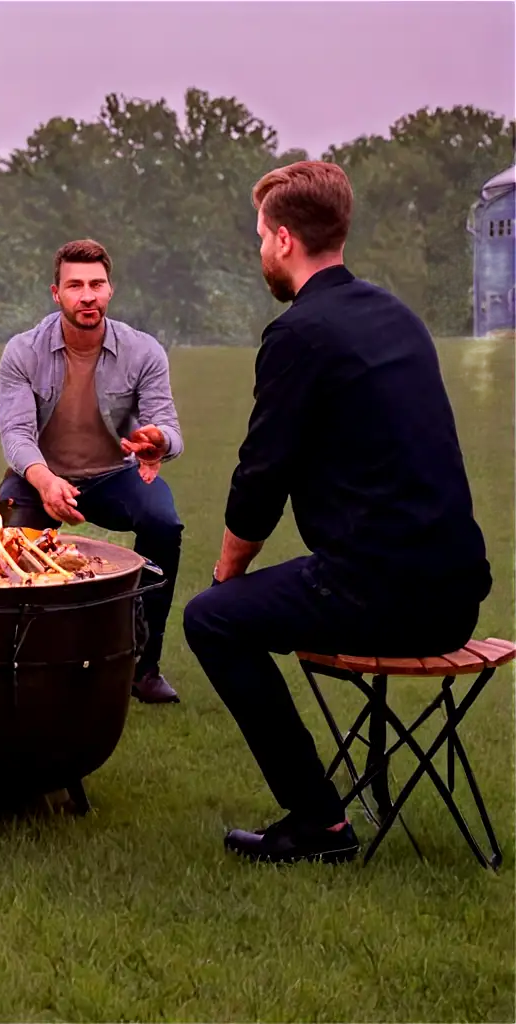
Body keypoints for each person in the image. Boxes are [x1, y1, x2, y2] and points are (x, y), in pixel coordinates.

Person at [182, 161, 493, 865]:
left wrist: (229, 569)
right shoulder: (397, 317)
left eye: (261, 234)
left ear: (285, 240)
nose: (259, 246)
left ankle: (320, 824)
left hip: (383, 594)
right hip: (457, 592)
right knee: (286, 589)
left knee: (212, 619)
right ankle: (335, 808)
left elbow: (262, 473)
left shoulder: (301, 334)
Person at [0, 239, 185, 704]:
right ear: (55, 293)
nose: (87, 295)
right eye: (75, 285)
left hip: (112, 476)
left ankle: (144, 665)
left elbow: (169, 428)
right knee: (10, 534)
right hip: (40, 473)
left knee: (164, 523)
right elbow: (17, 434)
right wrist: (45, 481)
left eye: (96, 285)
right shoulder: (23, 351)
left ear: (110, 290)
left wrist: (157, 442)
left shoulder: (143, 351)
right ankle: (21, 661)